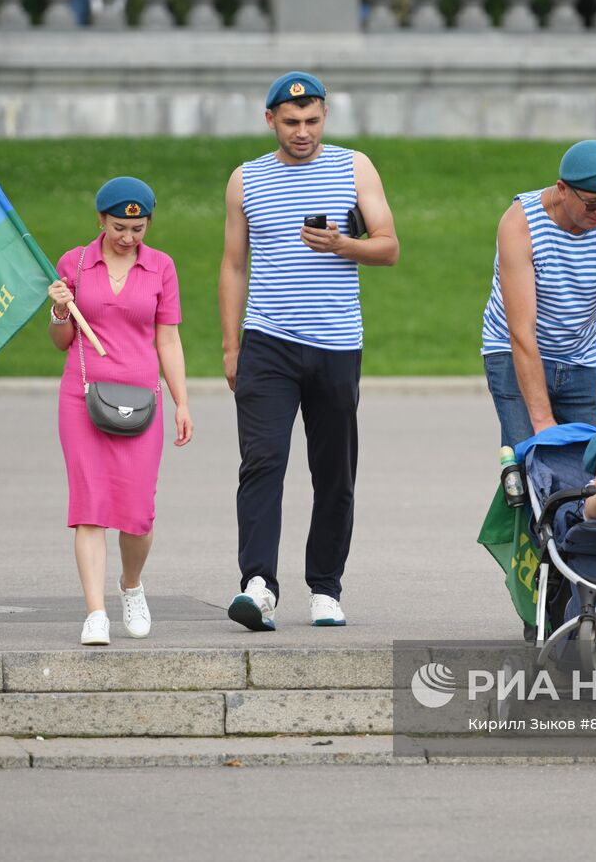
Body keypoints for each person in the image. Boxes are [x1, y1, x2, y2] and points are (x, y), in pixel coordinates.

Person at [218, 71, 399, 631]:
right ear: (269, 119)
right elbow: (232, 265)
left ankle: (325, 587)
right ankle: (258, 585)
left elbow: (389, 247)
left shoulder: (354, 166)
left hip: (336, 345)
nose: (303, 131)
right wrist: (231, 347)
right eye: (291, 122)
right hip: (267, 343)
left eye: (312, 121)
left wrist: (344, 244)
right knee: (262, 463)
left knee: (334, 471)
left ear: (325, 117)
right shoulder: (245, 179)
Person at [45, 177, 192, 646]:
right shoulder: (76, 262)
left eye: (138, 227)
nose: (128, 237)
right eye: (119, 226)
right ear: (101, 220)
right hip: (82, 396)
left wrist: (181, 401)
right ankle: (95, 613)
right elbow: (61, 341)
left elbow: (168, 339)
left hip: (141, 398)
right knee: (89, 508)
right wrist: (60, 313)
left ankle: (131, 585)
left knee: (137, 514)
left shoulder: (161, 267)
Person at [480, 140, 596, 449]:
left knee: (595, 466)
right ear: (563, 189)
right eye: (593, 203)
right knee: (531, 459)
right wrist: (542, 421)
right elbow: (521, 331)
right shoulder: (520, 224)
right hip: (513, 353)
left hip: (579, 355)